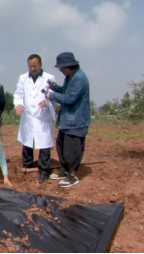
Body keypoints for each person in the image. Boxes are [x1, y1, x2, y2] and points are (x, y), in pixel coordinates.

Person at [46, 53, 90, 189]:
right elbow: (64, 91)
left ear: (68, 66)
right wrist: (54, 87)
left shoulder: (80, 78)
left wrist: (51, 95)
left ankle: (72, 175)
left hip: (76, 121)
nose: (60, 70)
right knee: (61, 146)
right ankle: (64, 170)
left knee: (72, 150)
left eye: (61, 68)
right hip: (67, 121)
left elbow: (70, 98)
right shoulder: (70, 77)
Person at [14, 54, 57, 184]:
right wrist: (19, 104)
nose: (32, 68)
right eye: (30, 66)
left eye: (35, 66)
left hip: (42, 116)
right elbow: (18, 94)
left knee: (44, 143)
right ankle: (27, 164)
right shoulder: (23, 78)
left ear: (40, 65)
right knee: (27, 140)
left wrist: (46, 101)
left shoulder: (49, 78)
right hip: (28, 115)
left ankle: (44, 169)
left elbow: (55, 94)